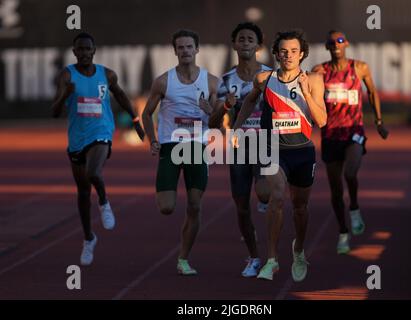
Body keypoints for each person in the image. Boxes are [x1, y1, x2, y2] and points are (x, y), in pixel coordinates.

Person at [233, 30, 327, 281]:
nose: (288, 55)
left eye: (294, 51)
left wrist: (306, 92)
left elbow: (322, 120)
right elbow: (249, 102)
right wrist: (237, 128)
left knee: (300, 207)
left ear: (302, 54)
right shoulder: (264, 78)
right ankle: (272, 259)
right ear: (276, 54)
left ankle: (298, 249)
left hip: (302, 150)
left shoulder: (315, 80)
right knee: (276, 198)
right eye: (283, 51)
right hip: (273, 149)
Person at [51, 32, 145, 266]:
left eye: (87, 49)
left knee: (93, 173)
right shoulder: (66, 75)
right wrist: (65, 94)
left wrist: (136, 122)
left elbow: (121, 96)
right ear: (74, 53)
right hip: (77, 137)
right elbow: (54, 112)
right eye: (79, 50)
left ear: (94, 51)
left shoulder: (107, 74)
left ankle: (104, 202)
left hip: (102, 131)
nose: (83, 53)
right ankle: (88, 238)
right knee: (83, 192)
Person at [142, 29, 219, 275]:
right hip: (170, 146)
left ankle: (183, 259)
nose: (185, 51)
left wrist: (210, 110)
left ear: (197, 49)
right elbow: (145, 113)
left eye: (189, 47)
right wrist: (152, 140)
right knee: (166, 207)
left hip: (197, 147)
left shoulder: (212, 82)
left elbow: (219, 121)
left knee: (195, 206)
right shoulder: (163, 81)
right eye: (181, 47)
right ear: (175, 51)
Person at [312, 30, 389, 254]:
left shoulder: (359, 67)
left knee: (351, 174)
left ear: (347, 44)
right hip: (330, 135)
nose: (336, 44)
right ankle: (343, 232)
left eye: (340, 40)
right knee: (335, 191)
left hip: (353, 131)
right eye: (331, 42)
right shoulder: (320, 71)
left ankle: (354, 207)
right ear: (327, 47)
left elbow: (373, 91)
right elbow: (308, 96)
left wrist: (379, 121)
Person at [209, 22, 271, 278]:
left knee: (265, 195)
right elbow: (212, 123)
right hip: (239, 150)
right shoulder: (226, 81)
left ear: (258, 45)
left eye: (250, 39)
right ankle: (254, 257)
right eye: (241, 39)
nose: (245, 43)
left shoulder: (271, 77)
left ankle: (273, 251)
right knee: (242, 207)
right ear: (234, 44)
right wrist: (225, 108)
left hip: (267, 146)